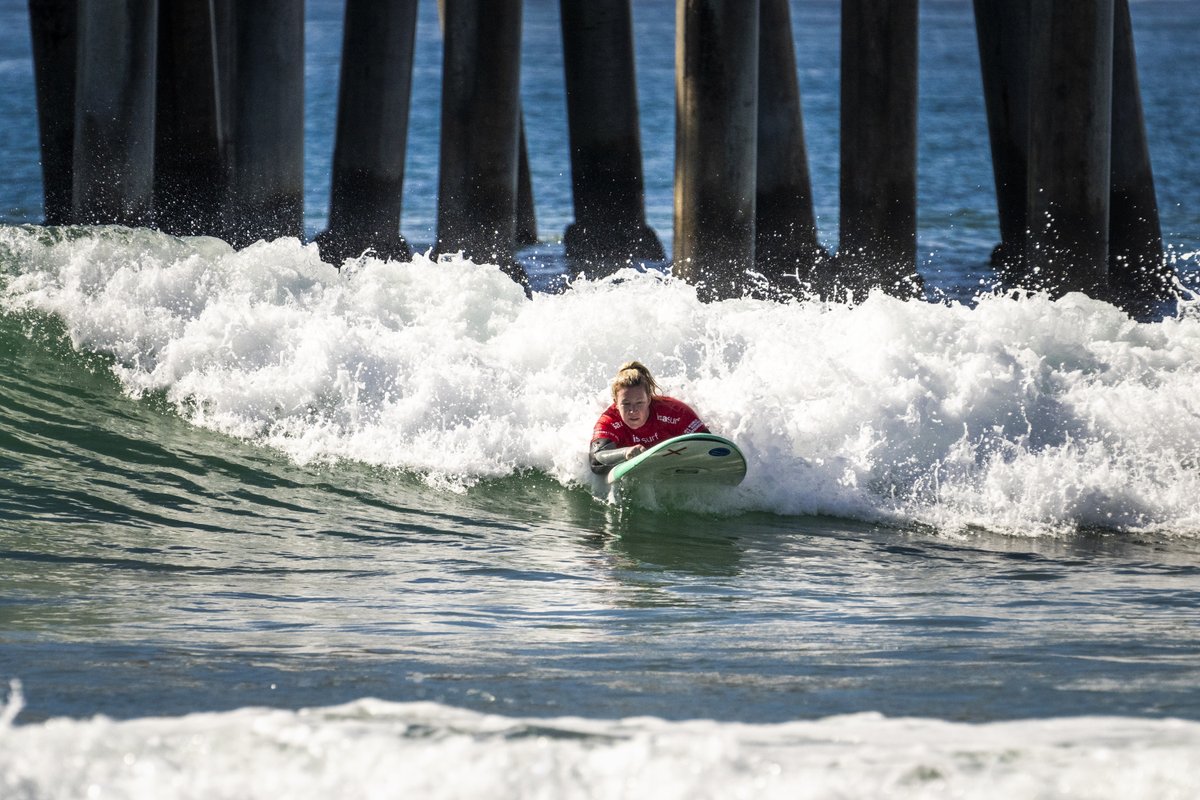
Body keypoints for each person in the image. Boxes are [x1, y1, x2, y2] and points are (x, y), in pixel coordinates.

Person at [589, 360, 709, 475]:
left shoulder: (673, 411)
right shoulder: (609, 421)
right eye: (626, 404)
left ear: (649, 400)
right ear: (615, 403)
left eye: (639, 402)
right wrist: (625, 453)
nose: (633, 410)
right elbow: (596, 462)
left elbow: (710, 443)